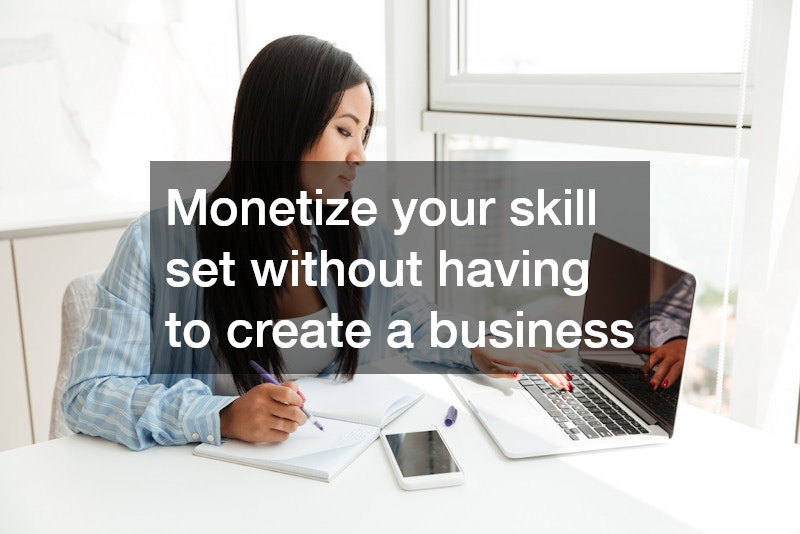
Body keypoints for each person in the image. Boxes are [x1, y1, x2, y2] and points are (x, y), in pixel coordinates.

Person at [62, 35, 569, 451]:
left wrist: (481, 350)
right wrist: (222, 415)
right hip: (202, 491)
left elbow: (410, 321)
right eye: (344, 130)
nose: (360, 155)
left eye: (365, 135)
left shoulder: (359, 235)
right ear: (285, 128)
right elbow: (91, 394)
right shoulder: (156, 244)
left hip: (324, 472)